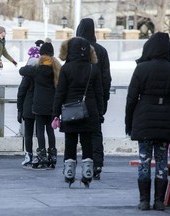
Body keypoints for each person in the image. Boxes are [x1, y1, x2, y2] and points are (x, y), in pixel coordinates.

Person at [125, 32, 170, 211]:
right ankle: (160, 201)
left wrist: (128, 122)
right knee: (161, 160)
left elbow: (131, 98)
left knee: (144, 160)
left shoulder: (142, 68)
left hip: (143, 119)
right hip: (166, 121)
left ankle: (144, 200)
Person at [52, 37, 103, 188]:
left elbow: (60, 93)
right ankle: (87, 171)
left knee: (70, 141)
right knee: (87, 142)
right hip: (90, 110)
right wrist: (100, 113)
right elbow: (99, 93)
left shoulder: (66, 69)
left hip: (70, 110)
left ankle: (69, 172)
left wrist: (55, 113)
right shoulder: (94, 68)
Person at [76, 18, 112, 180]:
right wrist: (104, 100)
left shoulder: (75, 49)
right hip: (96, 98)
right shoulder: (101, 51)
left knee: (79, 132)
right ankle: (97, 164)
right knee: (96, 132)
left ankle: (85, 162)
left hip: (76, 98)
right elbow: (106, 79)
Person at [19, 38, 61, 169]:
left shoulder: (37, 69)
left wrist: (32, 63)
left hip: (38, 105)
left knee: (40, 131)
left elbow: (22, 70)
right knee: (50, 131)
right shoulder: (57, 69)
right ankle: (53, 155)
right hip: (52, 105)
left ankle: (42, 155)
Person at [17, 39, 44, 167]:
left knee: (28, 133)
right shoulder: (43, 74)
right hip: (40, 106)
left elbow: (21, 91)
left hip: (28, 107)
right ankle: (41, 154)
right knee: (39, 132)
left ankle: (28, 154)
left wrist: (19, 109)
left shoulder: (27, 75)